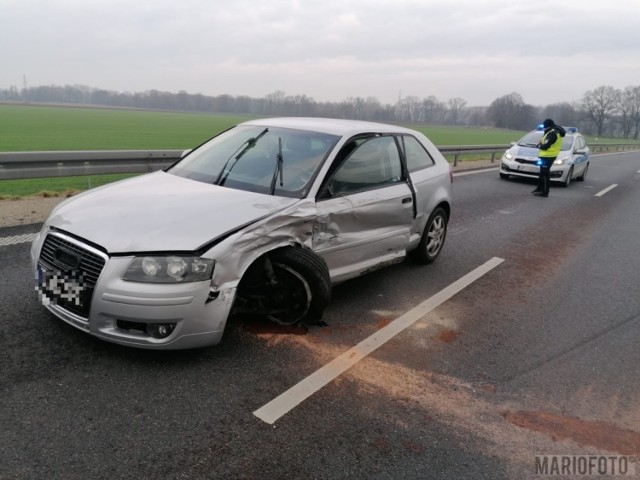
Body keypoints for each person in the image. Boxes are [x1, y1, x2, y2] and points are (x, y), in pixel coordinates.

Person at [532, 119, 566, 197]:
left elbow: (546, 145)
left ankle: (545, 191)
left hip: (548, 156)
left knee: (545, 174)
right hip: (546, 155)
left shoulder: (552, 133)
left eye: (544, 126)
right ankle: (539, 188)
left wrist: (539, 146)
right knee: (542, 173)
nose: (544, 128)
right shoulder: (553, 131)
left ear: (547, 126)